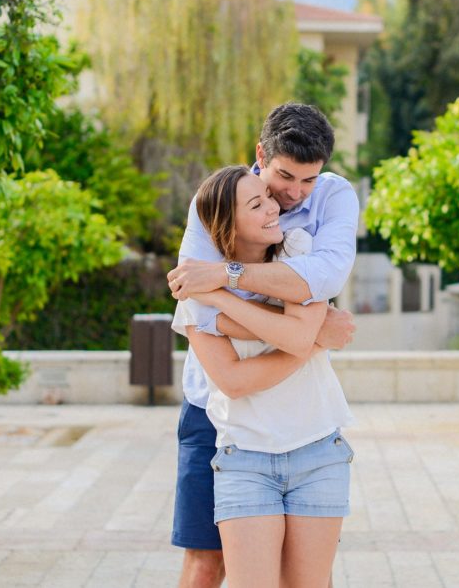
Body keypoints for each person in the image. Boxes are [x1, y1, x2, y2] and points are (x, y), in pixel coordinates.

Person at [167, 103, 358, 588]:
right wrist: (313, 333)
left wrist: (225, 282)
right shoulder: (216, 199)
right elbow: (197, 304)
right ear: (261, 155)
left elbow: (324, 277)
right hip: (214, 409)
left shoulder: (323, 211)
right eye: (283, 178)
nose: (291, 196)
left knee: (308, 576)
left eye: (308, 181)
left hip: (305, 430)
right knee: (206, 564)